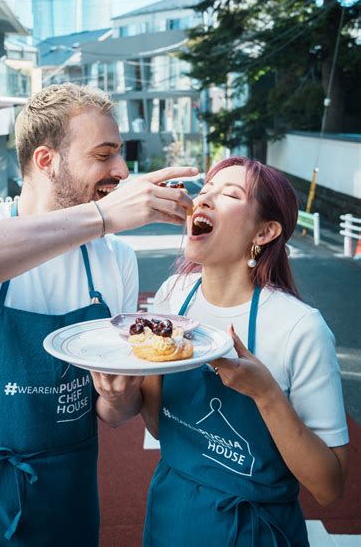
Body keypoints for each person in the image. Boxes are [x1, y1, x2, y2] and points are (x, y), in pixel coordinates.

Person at [0, 83, 195, 546]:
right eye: (103, 155)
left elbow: (112, 412)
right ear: (46, 160)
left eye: (119, 154)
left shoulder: (114, 258)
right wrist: (103, 215)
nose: (121, 171)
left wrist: (120, 395)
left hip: (69, 500)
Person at [141, 156, 349, 547]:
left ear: (266, 231)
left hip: (255, 531)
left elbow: (329, 486)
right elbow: (162, 427)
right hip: (171, 513)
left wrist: (265, 393)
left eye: (230, 194)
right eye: (204, 191)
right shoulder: (172, 296)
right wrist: (127, 381)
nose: (203, 199)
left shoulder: (299, 327)